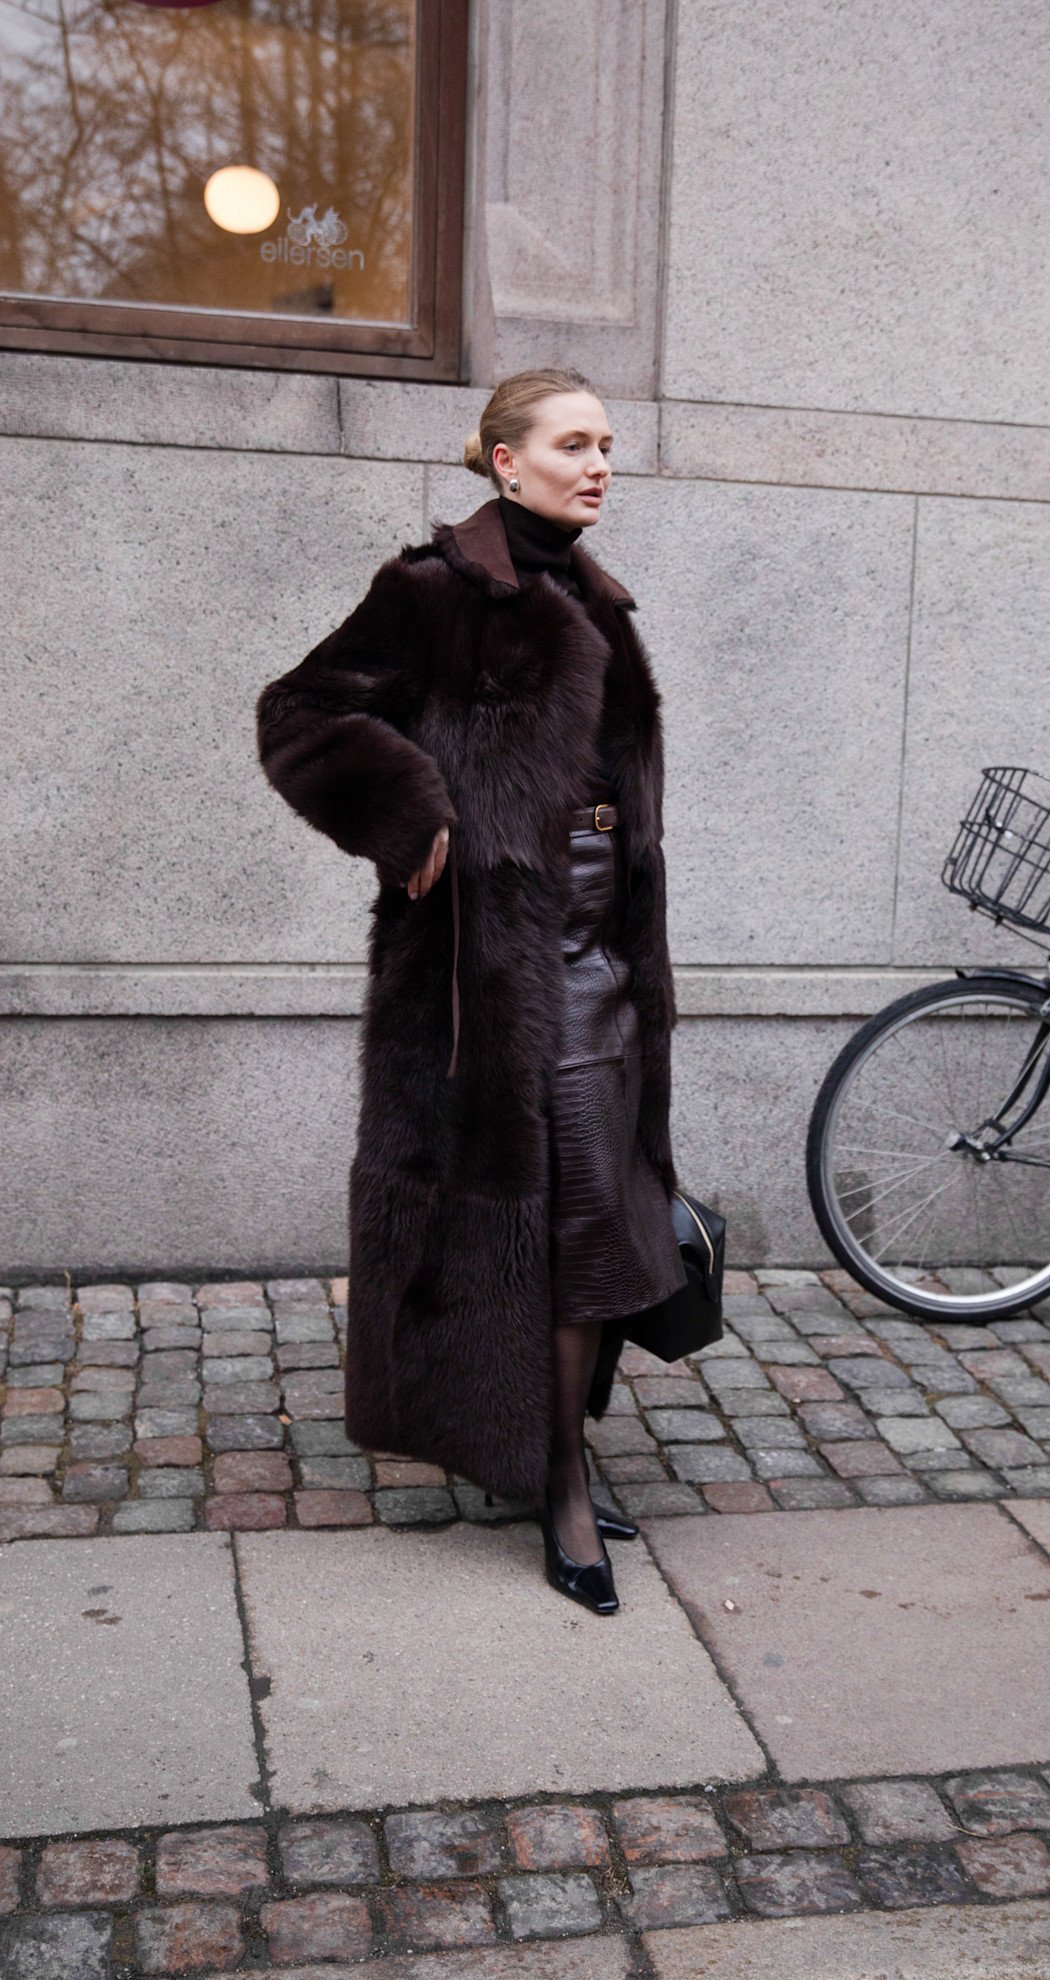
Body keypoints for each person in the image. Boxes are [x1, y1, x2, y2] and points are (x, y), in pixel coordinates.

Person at [254, 366, 686, 1616]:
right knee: (565, 1212)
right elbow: (299, 711)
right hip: (496, 957)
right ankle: (559, 1482)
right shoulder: (433, 588)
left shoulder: (598, 597)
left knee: (598, 1214)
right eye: (573, 444)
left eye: (607, 444)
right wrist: (409, 810)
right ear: (506, 461)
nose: (599, 465)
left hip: (605, 945)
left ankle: (551, 1450)